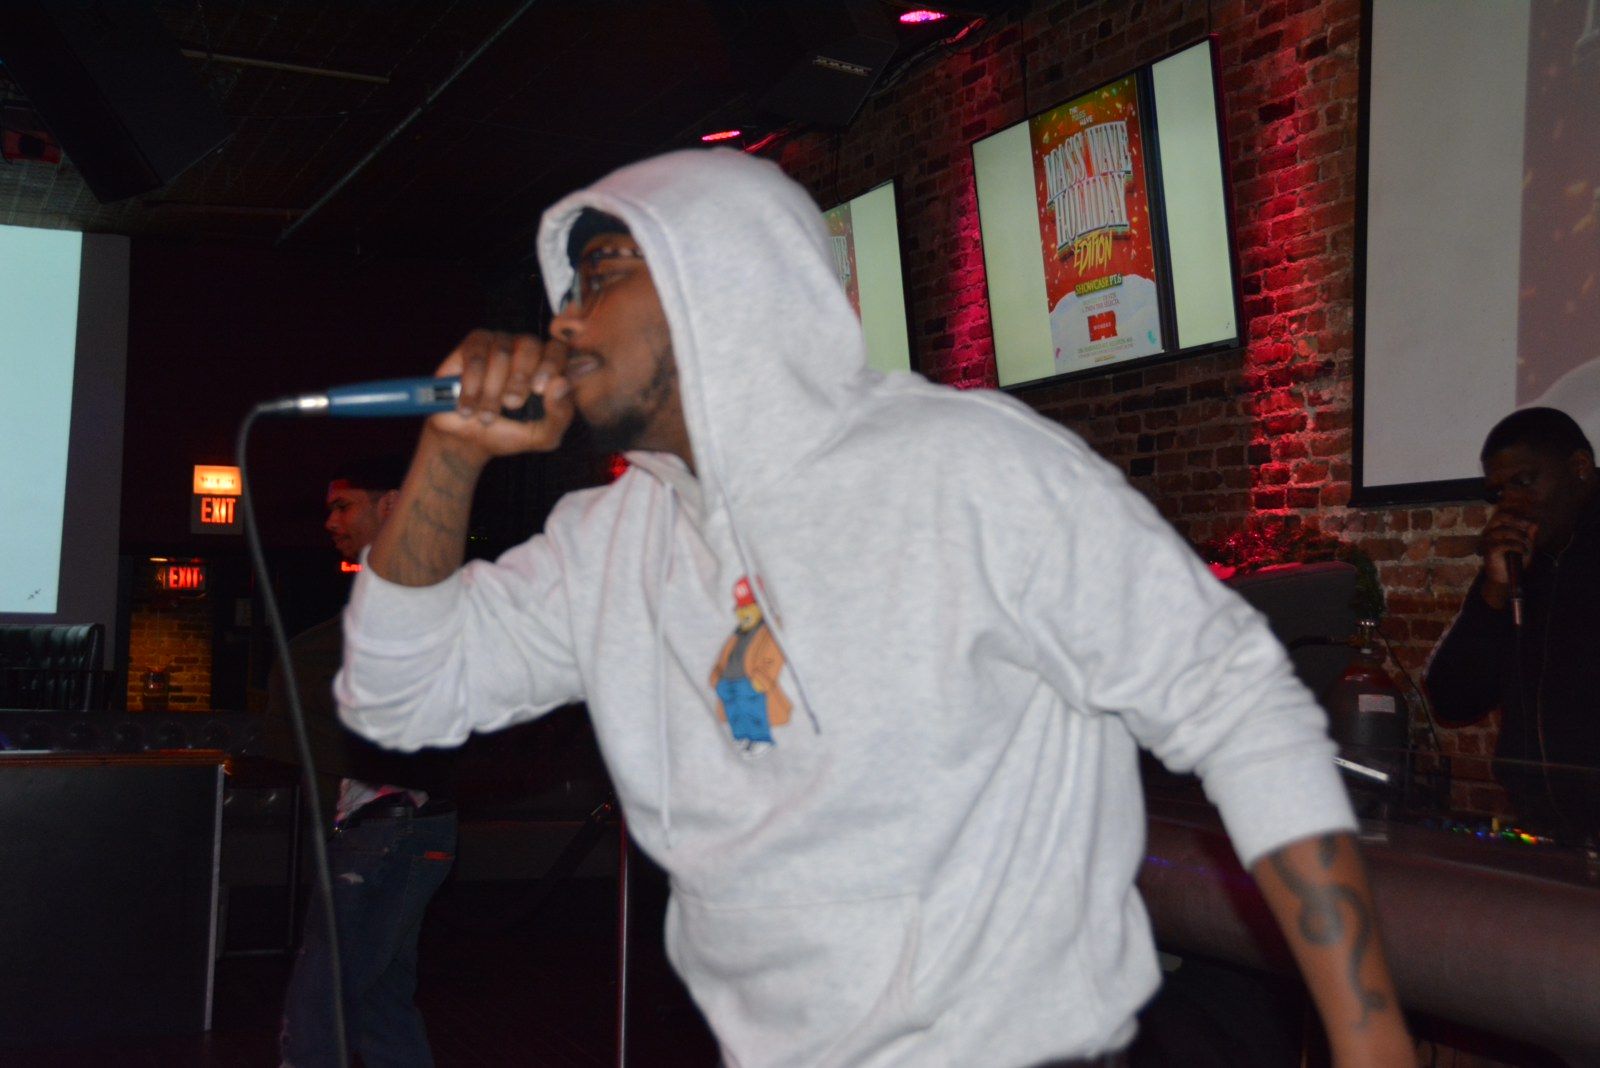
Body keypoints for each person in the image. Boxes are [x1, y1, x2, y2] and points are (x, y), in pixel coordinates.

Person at [335, 149, 1411, 1066]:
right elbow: (397, 696)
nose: (564, 319)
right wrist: (451, 450)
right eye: (566, 287)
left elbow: (1238, 706)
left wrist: (1370, 1048)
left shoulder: (965, 469)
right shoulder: (606, 545)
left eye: (603, 273)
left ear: (726, 277)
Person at [267, 456, 457, 1068]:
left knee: (321, 1006)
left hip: (390, 826)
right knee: (376, 1005)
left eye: (343, 506)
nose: (330, 522)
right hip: (394, 826)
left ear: (392, 504)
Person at [1425, 407, 1600, 844]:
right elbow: (1454, 700)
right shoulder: (1520, 563)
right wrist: (1494, 591)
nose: (1510, 503)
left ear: (1580, 468)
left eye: (1524, 482)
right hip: (1543, 832)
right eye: (1499, 492)